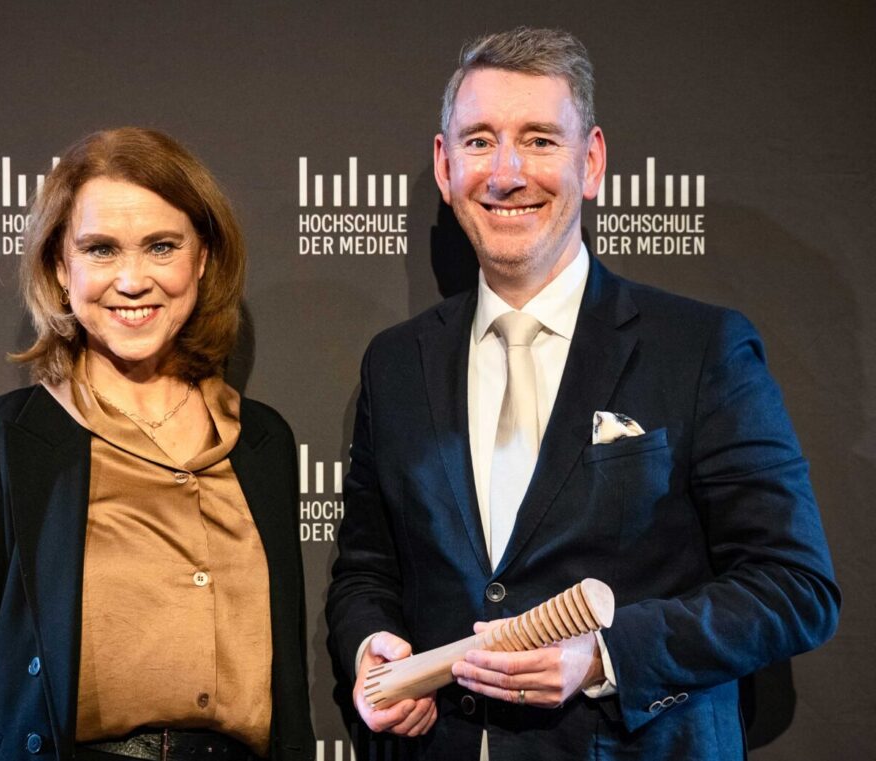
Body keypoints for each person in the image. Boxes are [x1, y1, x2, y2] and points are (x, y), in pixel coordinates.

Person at [326, 27, 839, 759]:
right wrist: (370, 643)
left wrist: (606, 655)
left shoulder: (698, 349)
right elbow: (368, 568)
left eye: (539, 140)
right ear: (445, 167)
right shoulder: (396, 363)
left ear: (590, 161)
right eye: (478, 141)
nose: (506, 172)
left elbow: (794, 586)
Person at [0, 128, 314, 761]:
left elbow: (286, 692)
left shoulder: (263, 442)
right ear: (61, 269)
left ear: (201, 259)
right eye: (100, 249)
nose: (132, 279)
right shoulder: (4, 441)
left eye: (161, 246)